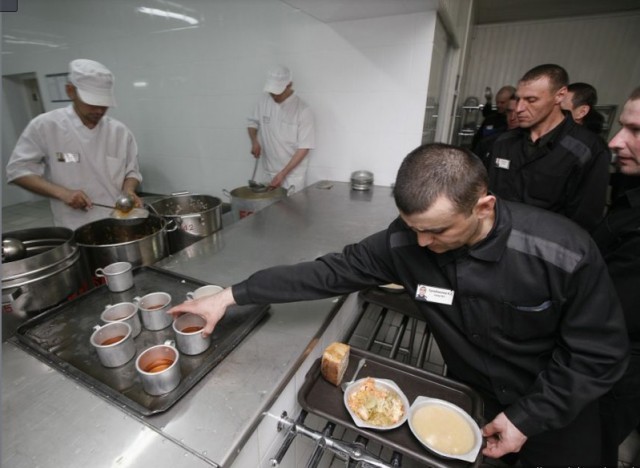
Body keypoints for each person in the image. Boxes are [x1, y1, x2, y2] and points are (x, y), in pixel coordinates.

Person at [169, 142, 629, 466]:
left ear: (484, 206)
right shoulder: (406, 243)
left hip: (558, 409)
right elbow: (325, 273)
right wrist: (229, 296)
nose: (423, 243)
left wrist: (528, 418)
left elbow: (599, 355)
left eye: (438, 230)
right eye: (414, 229)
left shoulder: (561, 252)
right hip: (469, 402)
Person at [6, 59, 142, 230]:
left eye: (104, 104)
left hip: (118, 219)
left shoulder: (119, 132)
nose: (99, 110)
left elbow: (131, 171)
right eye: (92, 103)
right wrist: (63, 193)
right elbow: (18, 171)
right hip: (74, 225)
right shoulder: (46, 126)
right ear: (70, 91)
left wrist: (129, 190)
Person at [487, 64, 611, 231]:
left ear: (560, 95)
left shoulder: (587, 149)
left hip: (546, 244)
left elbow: (584, 220)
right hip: (498, 238)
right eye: (518, 99)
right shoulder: (504, 142)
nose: (519, 109)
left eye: (531, 100)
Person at [592, 87, 640, 466]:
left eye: (635, 131)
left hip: (614, 371)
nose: (615, 141)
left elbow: (613, 312)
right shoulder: (630, 195)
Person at [247, 65, 315, 191]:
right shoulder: (264, 101)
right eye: (271, 93)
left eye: (277, 93)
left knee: (292, 204)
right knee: (268, 204)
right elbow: (252, 123)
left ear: (289, 85)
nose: (274, 97)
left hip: (292, 176)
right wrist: (254, 141)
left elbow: (304, 148)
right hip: (269, 172)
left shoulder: (303, 110)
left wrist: (283, 173)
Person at [474, 93, 519, 169]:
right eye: (509, 111)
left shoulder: (531, 145)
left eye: (518, 113)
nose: (512, 117)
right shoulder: (490, 141)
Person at [471, 85, 516, 151]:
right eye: (497, 102)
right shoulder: (491, 118)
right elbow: (477, 140)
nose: (498, 105)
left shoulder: (518, 122)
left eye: (502, 102)